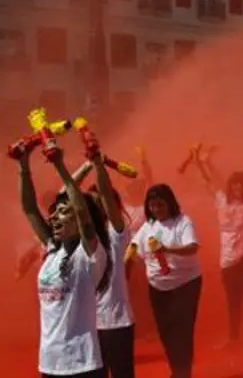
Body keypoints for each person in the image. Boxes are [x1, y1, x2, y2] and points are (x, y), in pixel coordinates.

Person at [17, 140, 113, 378]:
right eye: (53, 214)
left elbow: (81, 211)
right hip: (49, 363)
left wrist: (59, 165)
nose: (54, 219)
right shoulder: (52, 250)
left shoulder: (90, 254)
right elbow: (29, 208)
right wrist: (23, 163)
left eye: (63, 212)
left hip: (83, 365)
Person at [128, 184, 202, 378]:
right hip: (158, 287)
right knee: (165, 332)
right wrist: (126, 260)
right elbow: (134, 246)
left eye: (160, 205)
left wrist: (166, 249)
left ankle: (182, 373)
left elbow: (192, 247)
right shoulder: (148, 226)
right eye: (152, 206)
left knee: (182, 330)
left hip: (185, 284)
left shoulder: (182, 221)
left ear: (169, 203)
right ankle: (176, 370)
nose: (156, 210)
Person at [73, 155, 137, 378]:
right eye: (92, 203)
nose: (97, 206)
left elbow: (108, 197)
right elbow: (66, 193)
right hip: (85, 325)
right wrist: (87, 165)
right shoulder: (78, 238)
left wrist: (99, 167)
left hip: (115, 323)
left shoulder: (115, 234)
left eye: (100, 202)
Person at [195, 156, 243, 352]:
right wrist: (199, 162)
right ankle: (233, 337)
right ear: (230, 187)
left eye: (241, 186)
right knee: (232, 300)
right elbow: (209, 182)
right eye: (234, 186)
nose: (238, 189)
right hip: (227, 259)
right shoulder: (222, 202)